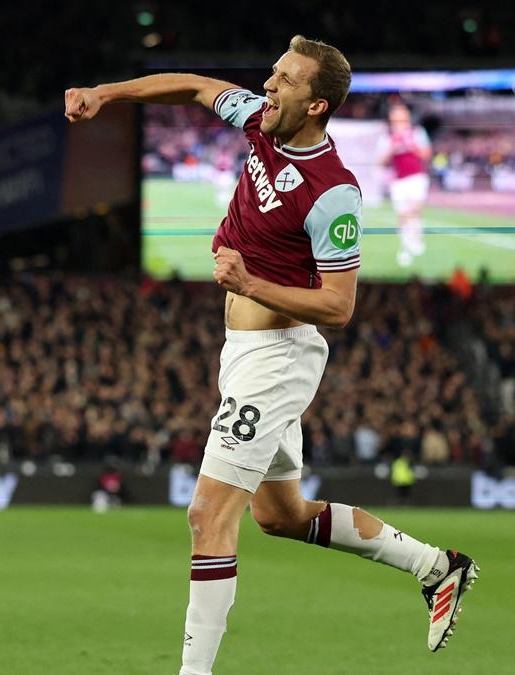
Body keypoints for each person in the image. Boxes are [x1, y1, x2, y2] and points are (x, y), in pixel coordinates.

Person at [65, 35, 478, 674]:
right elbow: (196, 85)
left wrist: (250, 284)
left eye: (284, 80)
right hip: (244, 351)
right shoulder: (261, 120)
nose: (269, 86)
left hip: (278, 358)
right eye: (273, 74)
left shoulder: (334, 192)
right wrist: (107, 94)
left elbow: (339, 307)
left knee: (208, 515)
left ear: (316, 105)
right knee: (280, 516)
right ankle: (436, 566)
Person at [378, 102, 432, 267]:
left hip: (417, 177)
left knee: (413, 210)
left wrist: (411, 145)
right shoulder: (387, 137)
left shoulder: (417, 133)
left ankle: (411, 244)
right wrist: (393, 148)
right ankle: (408, 246)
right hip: (398, 181)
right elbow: (381, 161)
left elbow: (427, 154)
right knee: (403, 217)